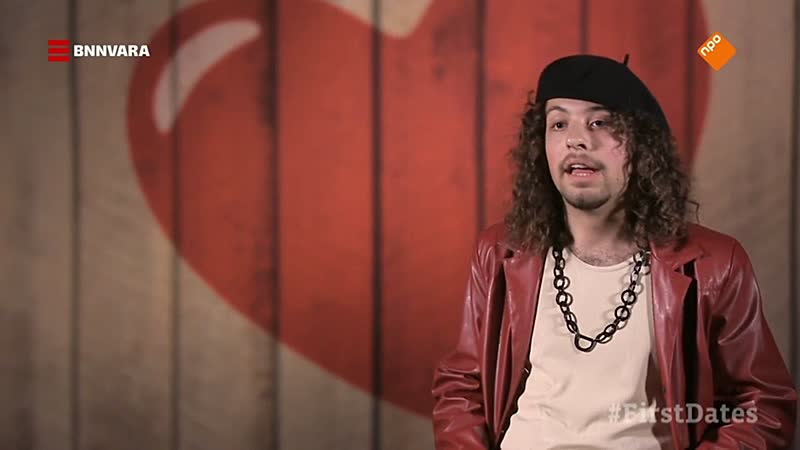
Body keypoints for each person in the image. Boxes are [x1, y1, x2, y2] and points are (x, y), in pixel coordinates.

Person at [430, 54, 797, 450]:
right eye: (558, 123)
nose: (576, 139)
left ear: (641, 145)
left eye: (600, 123)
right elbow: (461, 388)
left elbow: (763, 405)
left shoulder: (715, 263)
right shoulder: (500, 252)